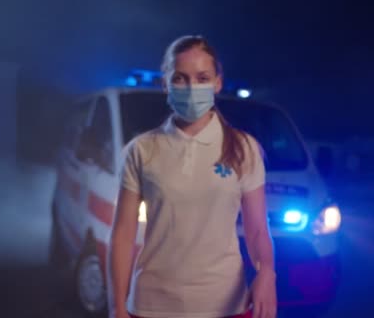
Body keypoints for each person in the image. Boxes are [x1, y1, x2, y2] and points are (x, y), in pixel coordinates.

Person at [107, 35, 277, 318]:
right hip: (151, 305)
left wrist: (267, 273)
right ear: (165, 84)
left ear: (218, 82)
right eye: (180, 78)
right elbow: (123, 234)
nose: (191, 88)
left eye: (202, 78)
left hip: (225, 304)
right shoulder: (142, 150)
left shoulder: (243, 148)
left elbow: (258, 230)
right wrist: (117, 306)